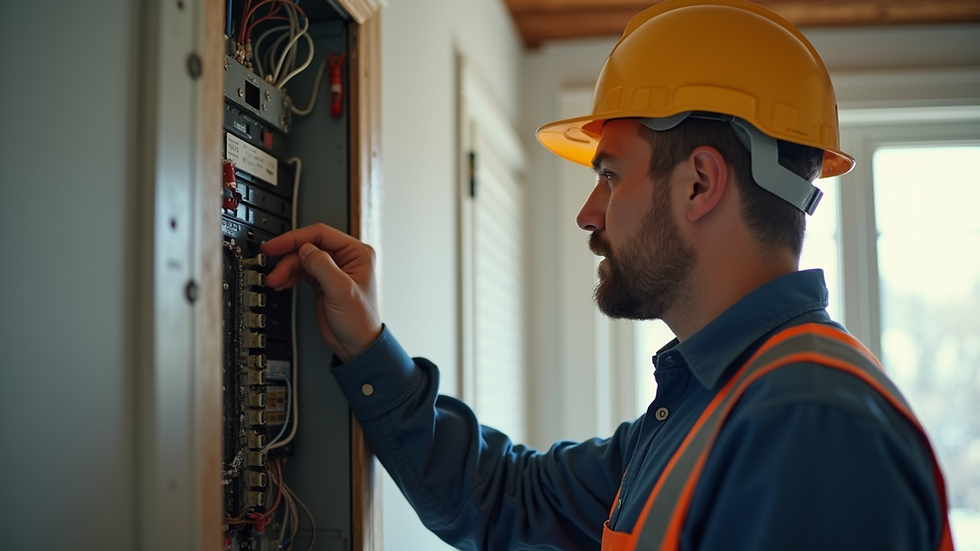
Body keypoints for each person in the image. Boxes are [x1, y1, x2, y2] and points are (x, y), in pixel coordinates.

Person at [262, 0, 954, 549]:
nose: (589, 214)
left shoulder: (806, 424)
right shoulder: (708, 405)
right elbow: (510, 499)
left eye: (611, 175)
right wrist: (367, 344)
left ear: (698, 184)